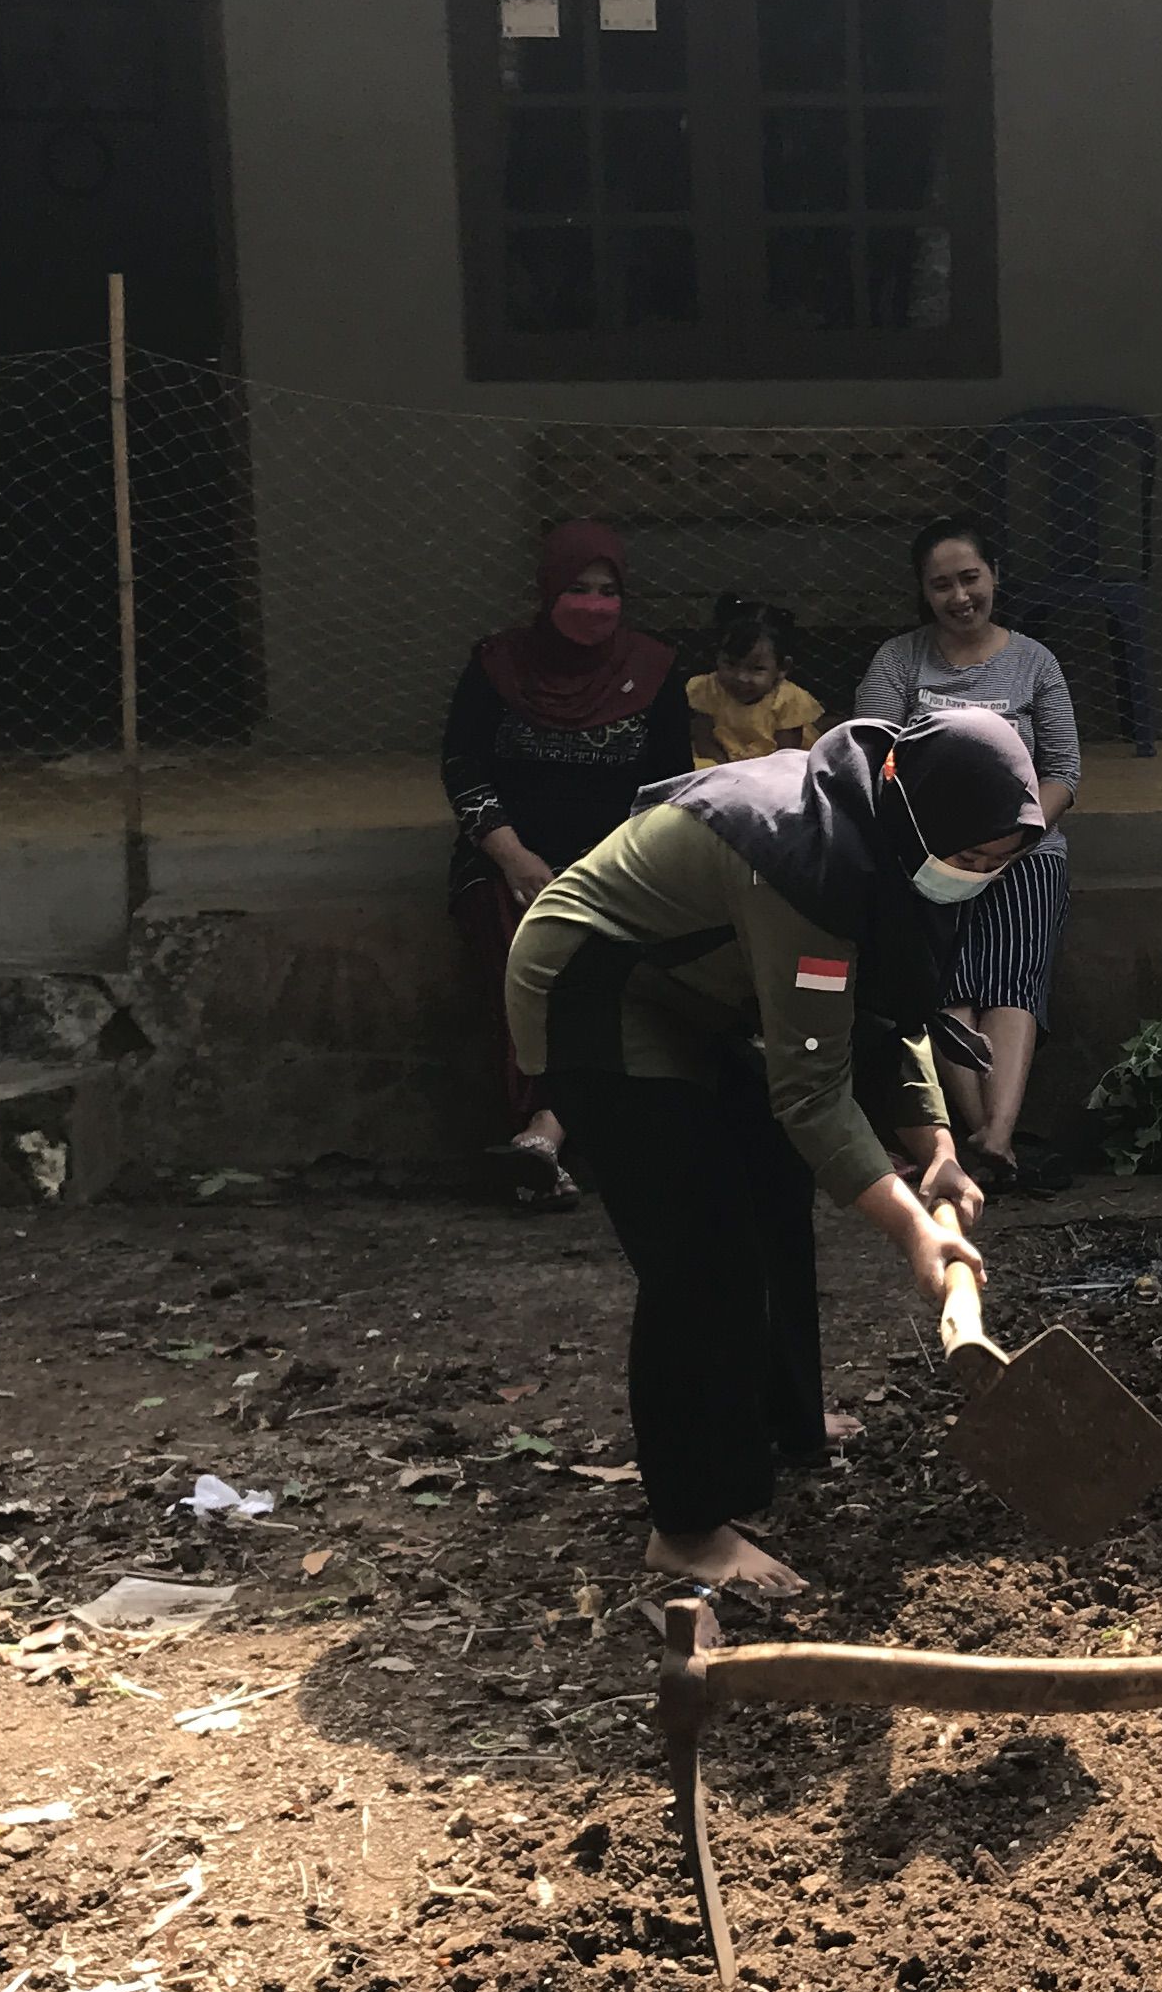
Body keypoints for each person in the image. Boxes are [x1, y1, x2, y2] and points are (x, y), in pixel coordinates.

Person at [501, 712, 1035, 1602]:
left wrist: (936, 1149)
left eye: (995, 863)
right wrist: (914, 1232)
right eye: (969, 857)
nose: (975, 876)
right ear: (919, 814)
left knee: (775, 1194)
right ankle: (688, 1527)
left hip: (701, 998)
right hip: (598, 990)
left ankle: (781, 1426)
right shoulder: (804, 863)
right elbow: (813, 1091)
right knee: (700, 1252)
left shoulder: (883, 829)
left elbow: (878, 1013)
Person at [442, 520, 696, 1209]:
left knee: (603, 966)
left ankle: (544, 1134)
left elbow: (670, 790)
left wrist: (614, 870)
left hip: (619, 867)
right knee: (518, 955)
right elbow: (462, 767)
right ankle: (542, 1134)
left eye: (606, 590)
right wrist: (515, 857)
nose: (592, 604)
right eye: (576, 589)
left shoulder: (654, 671)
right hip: (507, 862)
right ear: (547, 589)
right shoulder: (498, 665)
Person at [854, 520, 1080, 1196]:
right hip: (925, 855)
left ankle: (997, 1135)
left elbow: (1065, 770)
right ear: (923, 593)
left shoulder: (1035, 662)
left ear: (995, 577)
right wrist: (939, 845)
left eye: (970, 578)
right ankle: (986, 1144)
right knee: (945, 981)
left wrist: (1011, 840)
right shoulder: (898, 662)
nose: (959, 596)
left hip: (1024, 848)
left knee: (1010, 977)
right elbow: (871, 761)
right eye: (941, 584)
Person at [686, 597, 825, 766]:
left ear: (782, 668)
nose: (741, 677)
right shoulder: (707, 689)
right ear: (717, 657)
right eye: (730, 664)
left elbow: (786, 754)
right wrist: (726, 770)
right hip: (721, 761)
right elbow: (704, 741)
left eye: (757, 669)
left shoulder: (789, 699)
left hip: (771, 764)